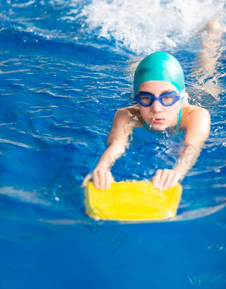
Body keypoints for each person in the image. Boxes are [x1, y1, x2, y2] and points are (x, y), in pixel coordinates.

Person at [82, 30, 217, 191]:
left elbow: (192, 147)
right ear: (136, 98)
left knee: (205, 73)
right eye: (146, 98)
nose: (156, 109)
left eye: (167, 98)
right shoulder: (128, 115)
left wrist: (176, 173)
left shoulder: (197, 115)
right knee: (140, 69)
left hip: (201, 94)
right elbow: (117, 144)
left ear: (180, 98)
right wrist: (101, 169)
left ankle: (211, 35)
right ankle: (141, 54)